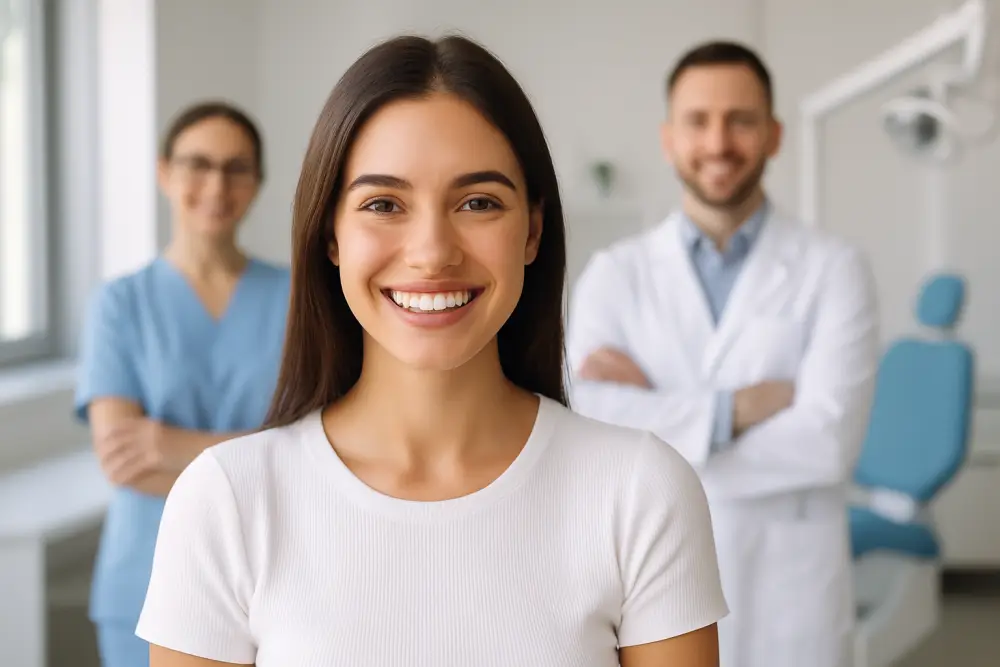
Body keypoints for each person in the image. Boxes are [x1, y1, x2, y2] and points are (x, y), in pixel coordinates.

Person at [133, 35, 729, 667]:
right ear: (330, 233)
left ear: (531, 229)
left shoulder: (639, 491)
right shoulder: (226, 501)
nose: (432, 251)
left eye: (478, 202)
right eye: (383, 204)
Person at [566, 41, 880, 667]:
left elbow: (827, 441)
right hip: (648, 579)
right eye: (698, 121)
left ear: (774, 135)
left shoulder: (835, 269)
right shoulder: (614, 273)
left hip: (789, 592)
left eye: (741, 120)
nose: (719, 142)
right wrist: (731, 412)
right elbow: (585, 424)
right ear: (667, 138)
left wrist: (648, 420)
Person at [74, 101, 290, 667]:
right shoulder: (120, 304)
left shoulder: (299, 300)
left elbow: (320, 449)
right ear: (164, 172)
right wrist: (266, 449)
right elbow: (124, 461)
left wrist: (171, 445)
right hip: (143, 580)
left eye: (236, 167)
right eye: (198, 164)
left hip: (274, 578)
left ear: (257, 182)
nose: (217, 185)